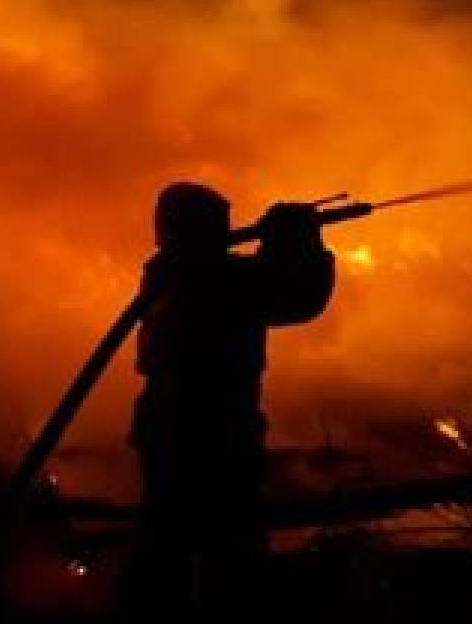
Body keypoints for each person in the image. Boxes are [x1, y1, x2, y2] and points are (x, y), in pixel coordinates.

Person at [117, 182, 335, 618]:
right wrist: (299, 239)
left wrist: (283, 240)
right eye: (217, 224)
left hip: (171, 429)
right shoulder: (204, 278)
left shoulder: (168, 273)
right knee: (227, 552)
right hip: (216, 434)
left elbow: (264, 282)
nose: (228, 231)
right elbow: (297, 297)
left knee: (166, 543)